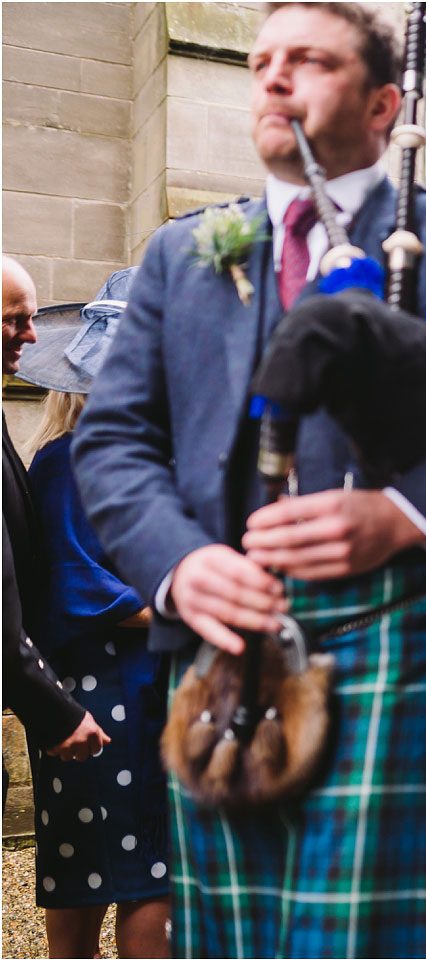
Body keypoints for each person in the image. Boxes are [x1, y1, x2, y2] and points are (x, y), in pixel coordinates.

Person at [68, 5, 426, 956]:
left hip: (392, 638)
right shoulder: (182, 254)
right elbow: (114, 442)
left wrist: (405, 514)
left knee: (365, 943)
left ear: (383, 104)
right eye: (260, 63)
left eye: (309, 61)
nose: (274, 79)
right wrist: (179, 564)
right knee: (232, 942)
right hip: (219, 657)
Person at [14, 269, 170, 958]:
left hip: (81, 693)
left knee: (83, 872)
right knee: (149, 877)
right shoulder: (87, 459)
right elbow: (85, 587)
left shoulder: (61, 457)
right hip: (117, 696)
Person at [1, 258, 108, 799]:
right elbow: (70, 587)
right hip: (100, 683)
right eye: (14, 319)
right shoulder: (69, 462)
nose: (31, 334)